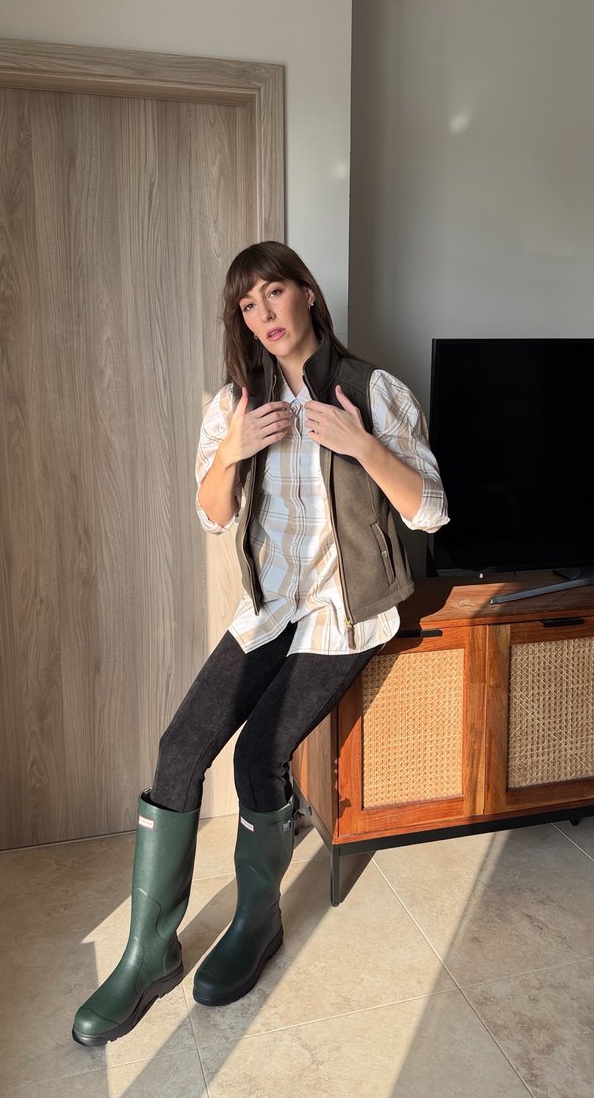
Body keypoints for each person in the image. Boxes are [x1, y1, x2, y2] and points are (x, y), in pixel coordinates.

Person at [71, 241, 449, 1046]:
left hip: (344, 615)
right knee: (179, 750)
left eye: (274, 293)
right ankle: (149, 952)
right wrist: (235, 453)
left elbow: (430, 512)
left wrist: (364, 446)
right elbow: (211, 513)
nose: (264, 315)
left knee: (257, 758)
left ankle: (256, 919)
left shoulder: (370, 389)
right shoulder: (236, 404)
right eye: (248, 305)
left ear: (307, 294)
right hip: (271, 610)